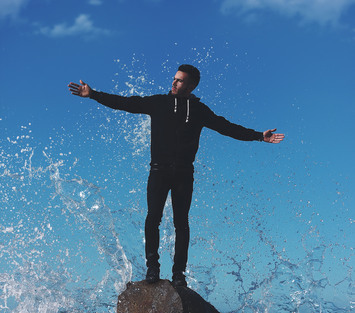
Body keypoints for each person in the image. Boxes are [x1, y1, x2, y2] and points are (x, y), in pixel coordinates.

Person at [68, 64, 284, 287]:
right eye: (174, 79)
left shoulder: (200, 111)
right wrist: (93, 94)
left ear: (191, 86)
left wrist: (259, 136)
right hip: (158, 172)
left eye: (179, 80)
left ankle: (179, 274)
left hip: (184, 175)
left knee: (182, 224)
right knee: (153, 219)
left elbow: (226, 127)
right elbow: (126, 103)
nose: (173, 82)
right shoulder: (158, 103)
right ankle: (152, 268)